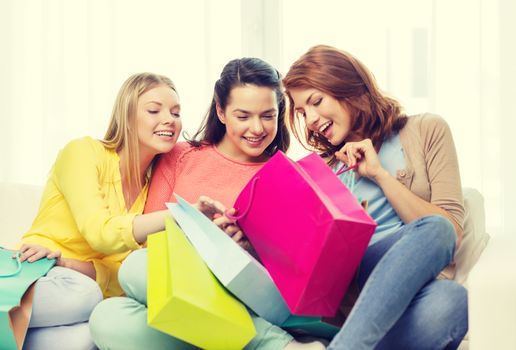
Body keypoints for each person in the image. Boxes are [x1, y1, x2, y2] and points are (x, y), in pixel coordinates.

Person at [89, 58, 325, 350]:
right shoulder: (180, 156)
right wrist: (202, 233)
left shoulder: (290, 175)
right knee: (108, 314)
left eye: (267, 116)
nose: (257, 128)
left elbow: (297, 272)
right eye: (243, 116)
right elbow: (151, 246)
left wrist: (249, 247)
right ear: (221, 111)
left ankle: (276, 345)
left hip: (245, 296)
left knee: (137, 270)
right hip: (184, 287)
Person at [17, 73, 224, 350]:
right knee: (85, 295)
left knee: (89, 338)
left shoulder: (151, 192)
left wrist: (66, 264)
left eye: (176, 112)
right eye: (154, 110)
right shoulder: (82, 152)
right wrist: (179, 214)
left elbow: (119, 277)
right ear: (126, 116)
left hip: (73, 281)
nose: (169, 119)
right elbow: (100, 232)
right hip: (34, 272)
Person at [283, 45, 468, 350]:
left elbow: (452, 233)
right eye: (302, 112)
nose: (311, 119)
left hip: (420, 281)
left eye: (316, 102)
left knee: (451, 300)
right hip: (359, 285)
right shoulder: (325, 172)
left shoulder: (426, 130)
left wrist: (380, 175)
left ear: (348, 87)